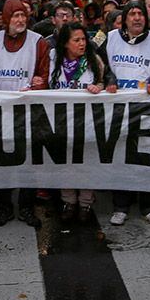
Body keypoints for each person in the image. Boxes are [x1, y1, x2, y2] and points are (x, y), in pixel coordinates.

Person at [0, 0, 50, 227]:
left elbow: (45, 76)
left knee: (29, 160)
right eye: (15, 16)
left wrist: (39, 85)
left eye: (23, 15)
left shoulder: (39, 42)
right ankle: (4, 205)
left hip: (28, 113)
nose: (21, 20)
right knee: (1, 159)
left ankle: (26, 206)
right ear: (6, 18)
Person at [104, 0, 150, 227]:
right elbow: (99, 63)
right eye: (133, 14)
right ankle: (121, 206)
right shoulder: (109, 38)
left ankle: (148, 206)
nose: (137, 18)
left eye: (141, 14)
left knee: (146, 158)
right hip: (118, 108)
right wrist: (109, 79)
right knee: (120, 157)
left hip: (146, 108)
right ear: (125, 18)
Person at [49, 21, 115, 223]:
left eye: (83, 39)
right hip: (61, 122)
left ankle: (85, 202)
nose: (82, 44)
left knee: (86, 161)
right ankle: (68, 201)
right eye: (76, 40)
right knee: (65, 163)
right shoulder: (53, 59)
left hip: (87, 122)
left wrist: (100, 86)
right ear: (65, 44)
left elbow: (105, 80)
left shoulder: (94, 60)